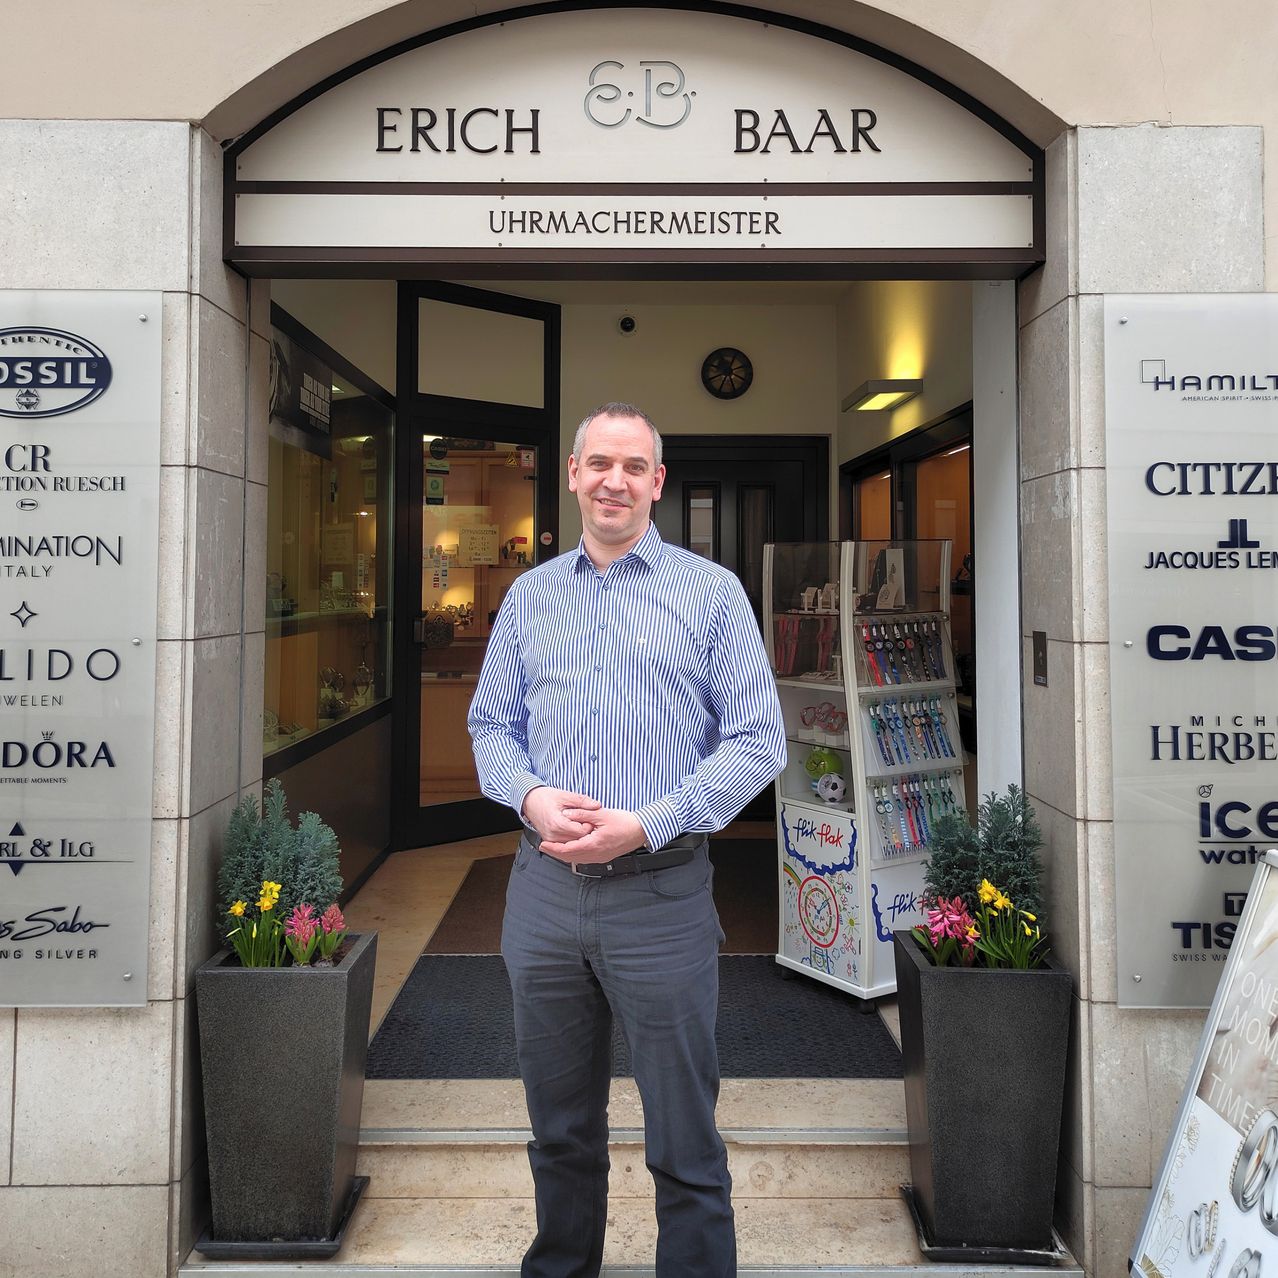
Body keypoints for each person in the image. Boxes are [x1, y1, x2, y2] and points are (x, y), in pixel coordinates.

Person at [469, 402, 786, 1278]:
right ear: (573, 474)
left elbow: (759, 741)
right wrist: (531, 797)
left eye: (634, 466)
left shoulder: (710, 594)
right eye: (600, 463)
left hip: (661, 894)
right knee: (559, 1127)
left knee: (683, 1133)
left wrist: (648, 822)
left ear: (658, 481)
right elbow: (491, 726)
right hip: (543, 896)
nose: (615, 481)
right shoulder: (530, 597)